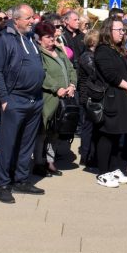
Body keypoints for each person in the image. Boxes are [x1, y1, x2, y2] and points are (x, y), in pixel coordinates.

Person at [0, 4, 47, 203]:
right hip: (15, 99)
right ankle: (3, 184)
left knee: (26, 144)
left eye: (33, 17)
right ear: (16, 20)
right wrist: (4, 99)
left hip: (34, 99)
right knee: (8, 144)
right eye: (28, 18)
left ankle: (21, 179)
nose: (32, 21)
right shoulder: (4, 39)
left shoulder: (31, 39)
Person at [92, 19, 127, 188]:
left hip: (123, 98)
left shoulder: (119, 49)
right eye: (119, 30)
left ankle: (114, 168)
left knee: (118, 135)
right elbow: (111, 75)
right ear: (108, 31)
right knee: (107, 136)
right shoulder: (103, 50)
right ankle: (103, 172)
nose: (122, 33)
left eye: (123, 30)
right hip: (110, 98)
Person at [34, 20, 75, 177]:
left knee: (55, 131)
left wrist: (72, 85)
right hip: (48, 98)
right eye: (47, 37)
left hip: (64, 98)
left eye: (52, 36)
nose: (52, 39)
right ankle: (38, 162)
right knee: (43, 131)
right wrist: (56, 88)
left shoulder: (59, 51)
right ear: (39, 39)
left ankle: (50, 162)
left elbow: (71, 69)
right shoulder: (38, 53)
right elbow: (42, 73)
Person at [75, 29, 101, 167]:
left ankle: (92, 154)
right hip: (88, 96)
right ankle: (86, 156)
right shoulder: (87, 56)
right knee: (88, 127)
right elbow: (95, 73)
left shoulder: (93, 55)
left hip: (92, 95)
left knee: (93, 127)